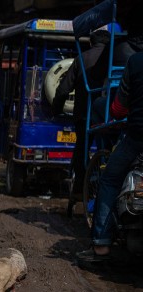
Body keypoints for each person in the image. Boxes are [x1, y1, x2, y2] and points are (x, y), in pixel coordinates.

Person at [77, 51, 143, 262]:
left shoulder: (135, 61)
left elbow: (117, 108)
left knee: (109, 180)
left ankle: (102, 246)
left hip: (136, 138)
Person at [52, 30, 110, 198]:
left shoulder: (81, 59)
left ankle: (80, 187)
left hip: (84, 115)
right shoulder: (113, 57)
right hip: (108, 115)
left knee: (81, 149)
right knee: (106, 148)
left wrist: (56, 109)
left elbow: (63, 90)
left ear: (91, 43)